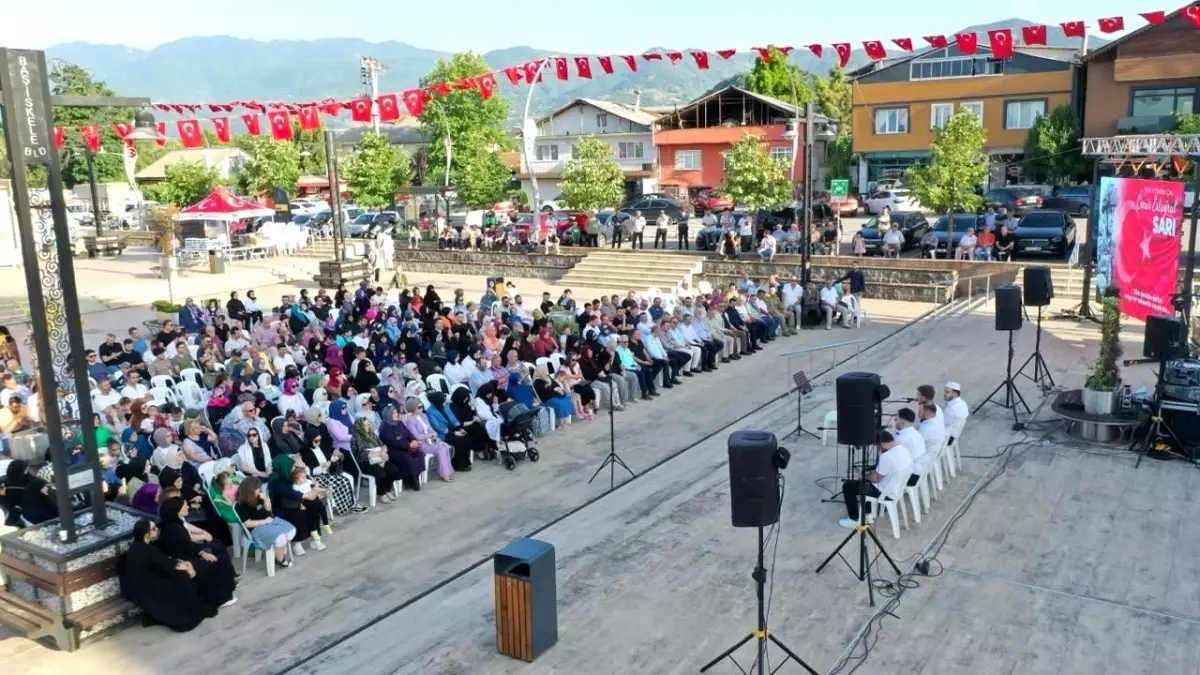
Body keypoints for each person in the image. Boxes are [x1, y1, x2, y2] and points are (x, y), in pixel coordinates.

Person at [120, 518, 219, 632]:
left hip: (141, 584)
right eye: (153, 529)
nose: (157, 530)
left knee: (180, 575)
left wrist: (180, 563)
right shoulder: (148, 549)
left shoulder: (137, 546)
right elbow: (169, 564)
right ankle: (186, 614)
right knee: (183, 577)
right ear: (147, 534)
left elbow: (162, 561)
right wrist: (188, 568)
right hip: (148, 588)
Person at [156, 496, 237, 608]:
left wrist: (201, 551)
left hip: (188, 554)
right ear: (176, 510)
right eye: (184, 506)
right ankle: (221, 599)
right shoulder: (172, 528)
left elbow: (188, 546)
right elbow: (186, 547)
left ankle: (227, 590)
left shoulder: (176, 523)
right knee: (215, 561)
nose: (187, 507)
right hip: (183, 560)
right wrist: (202, 553)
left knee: (218, 554)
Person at [839, 431, 912, 529]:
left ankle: (854, 519)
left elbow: (875, 479)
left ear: (882, 444)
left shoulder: (886, 456)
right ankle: (868, 514)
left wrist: (863, 476)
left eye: (877, 447)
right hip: (898, 488)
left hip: (885, 492)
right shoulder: (903, 449)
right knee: (865, 482)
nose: (878, 450)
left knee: (848, 486)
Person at [233, 477, 296, 568]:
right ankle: (280, 560)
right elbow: (248, 523)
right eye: (257, 488)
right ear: (250, 490)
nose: (259, 490)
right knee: (281, 537)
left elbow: (268, 510)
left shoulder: (258, 496)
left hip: (270, 521)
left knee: (291, 530)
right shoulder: (241, 504)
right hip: (257, 528)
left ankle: (280, 551)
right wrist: (265, 521)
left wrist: (266, 499)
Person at [299, 428, 361, 514]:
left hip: (328, 472)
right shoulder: (305, 451)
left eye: (320, 440)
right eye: (316, 441)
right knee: (342, 481)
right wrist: (322, 466)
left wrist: (332, 459)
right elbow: (310, 472)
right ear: (309, 439)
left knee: (348, 478)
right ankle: (344, 506)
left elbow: (328, 457)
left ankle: (351, 503)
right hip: (318, 477)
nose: (319, 442)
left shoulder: (320, 446)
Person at [404, 398, 455, 482]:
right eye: (419, 407)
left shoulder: (423, 416)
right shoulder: (410, 421)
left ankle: (442, 471)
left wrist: (434, 434)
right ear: (413, 409)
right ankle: (445, 474)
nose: (422, 408)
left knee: (446, 446)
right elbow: (417, 436)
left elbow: (430, 428)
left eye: (422, 406)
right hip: (421, 444)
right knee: (441, 448)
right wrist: (430, 435)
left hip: (431, 441)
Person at [379, 404, 426, 492]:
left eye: (396, 412)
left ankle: (415, 475)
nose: (397, 414)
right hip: (393, 450)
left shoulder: (399, 423)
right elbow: (392, 442)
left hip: (406, 446)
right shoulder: (384, 427)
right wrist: (408, 445)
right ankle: (410, 480)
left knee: (419, 454)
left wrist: (413, 441)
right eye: (394, 413)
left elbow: (408, 433)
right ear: (388, 415)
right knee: (407, 458)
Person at [894, 408, 927, 487]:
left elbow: (895, 461)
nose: (895, 422)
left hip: (910, 477)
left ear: (902, 421)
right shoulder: (917, 434)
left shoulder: (902, 439)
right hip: (919, 472)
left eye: (896, 419)